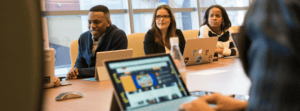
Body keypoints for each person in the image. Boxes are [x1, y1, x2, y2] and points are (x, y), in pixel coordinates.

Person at [181, 0, 300, 110]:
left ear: (223, 19)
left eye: (218, 16)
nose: (214, 18)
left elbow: (271, 106)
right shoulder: (204, 30)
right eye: (211, 16)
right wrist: (242, 105)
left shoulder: (275, 7)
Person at [67, 5, 128, 79]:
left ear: (108, 23)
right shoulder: (83, 37)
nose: (92, 26)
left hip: (108, 81)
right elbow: (80, 62)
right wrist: (74, 71)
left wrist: (80, 72)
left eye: (96, 22)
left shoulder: (118, 35)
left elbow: (110, 68)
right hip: (87, 81)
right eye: (89, 22)